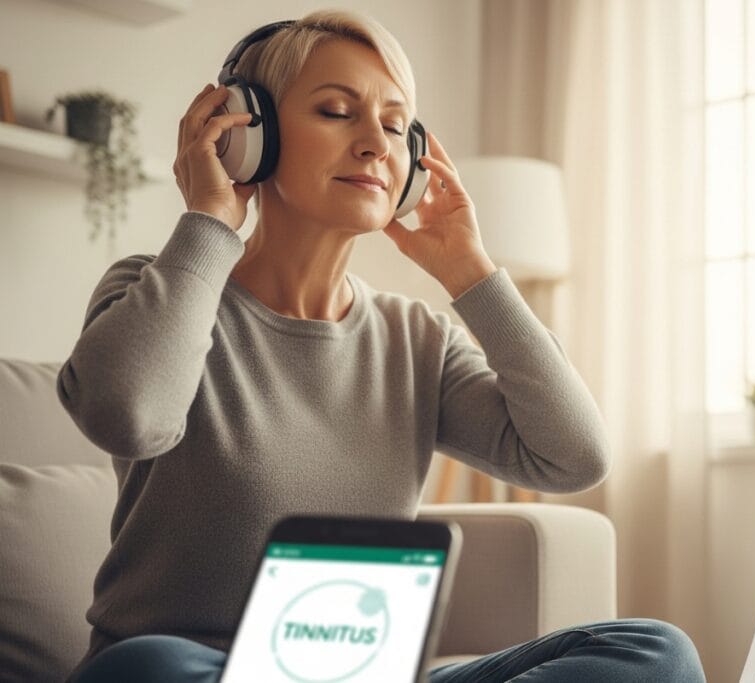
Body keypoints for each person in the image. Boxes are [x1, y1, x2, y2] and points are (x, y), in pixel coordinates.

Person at [60, 9, 705, 683]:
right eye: (337, 112)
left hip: (360, 675)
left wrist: (471, 273)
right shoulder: (156, 289)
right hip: (191, 668)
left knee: (655, 652)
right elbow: (128, 415)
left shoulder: (417, 338)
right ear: (250, 134)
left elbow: (575, 457)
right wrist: (209, 220)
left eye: (396, 126)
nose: (375, 143)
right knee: (147, 665)